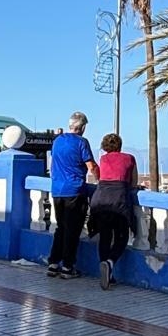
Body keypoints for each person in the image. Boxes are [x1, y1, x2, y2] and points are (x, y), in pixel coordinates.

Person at [47, 111, 99, 278]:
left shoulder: (57, 141)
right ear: (82, 127)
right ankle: (68, 267)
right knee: (73, 229)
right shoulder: (81, 142)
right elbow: (91, 166)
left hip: (57, 190)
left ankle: (54, 263)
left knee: (61, 227)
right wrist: (101, 180)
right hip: (74, 190)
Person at [88, 132, 138, 289]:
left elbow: (100, 177)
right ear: (120, 145)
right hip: (119, 201)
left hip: (101, 199)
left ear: (105, 147)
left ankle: (107, 270)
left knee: (105, 236)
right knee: (121, 237)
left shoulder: (103, 159)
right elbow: (133, 182)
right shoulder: (129, 158)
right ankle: (110, 262)